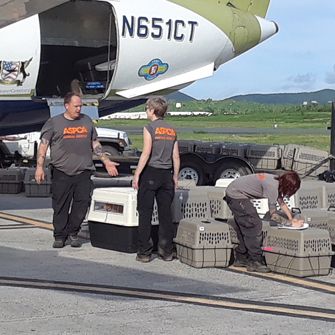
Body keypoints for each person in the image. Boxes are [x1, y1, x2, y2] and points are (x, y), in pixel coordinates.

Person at [35, 92, 119, 248]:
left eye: (80, 106)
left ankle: (73, 232)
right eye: (76, 106)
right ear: (66, 106)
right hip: (61, 171)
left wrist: (106, 161)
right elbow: (44, 145)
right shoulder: (54, 122)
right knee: (60, 205)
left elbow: (95, 143)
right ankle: (60, 236)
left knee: (82, 204)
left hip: (83, 171)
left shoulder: (86, 121)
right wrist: (39, 167)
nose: (79, 109)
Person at [225, 171, 304, 273]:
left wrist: (291, 218)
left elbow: (280, 201)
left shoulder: (276, 180)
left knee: (244, 225)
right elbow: (274, 216)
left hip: (233, 191)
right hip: (235, 195)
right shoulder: (272, 187)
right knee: (254, 224)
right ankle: (255, 262)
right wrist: (291, 224)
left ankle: (242, 257)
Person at [132, 96, 180, 263]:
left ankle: (144, 252)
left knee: (145, 213)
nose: (146, 111)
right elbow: (176, 156)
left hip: (151, 172)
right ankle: (166, 251)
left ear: (152, 110)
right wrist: (175, 176)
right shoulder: (171, 130)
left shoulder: (149, 128)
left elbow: (146, 152)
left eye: (147, 109)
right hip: (167, 174)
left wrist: (137, 174)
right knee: (165, 214)